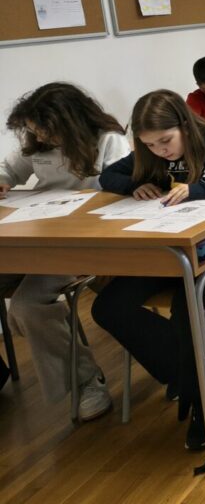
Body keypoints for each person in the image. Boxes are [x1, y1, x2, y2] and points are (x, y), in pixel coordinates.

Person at [92, 90, 205, 450]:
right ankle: (189, 374)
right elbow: (108, 177)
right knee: (108, 306)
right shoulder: (150, 152)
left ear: (184, 125)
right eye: (150, 145)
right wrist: (137, 184)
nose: (160, 151)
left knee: (186, 306)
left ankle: (202, 404)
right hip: (175, 247)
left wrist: (198, 190)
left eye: (165, 141)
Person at [0, 83, 131, 420]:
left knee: (27, 307)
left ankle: (86, 381)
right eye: (34, 131)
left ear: (69, 121)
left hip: (83, 243)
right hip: (38, 238)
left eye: (46, 130)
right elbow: (8, 170)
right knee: (20, 307)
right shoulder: (37, 144)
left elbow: (119, 190)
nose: (40, 136)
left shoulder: (107, 140)